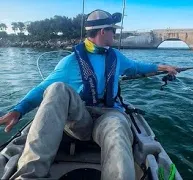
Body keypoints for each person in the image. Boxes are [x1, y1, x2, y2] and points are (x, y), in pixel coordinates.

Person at [0, 9, 177, 179]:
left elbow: (137, 67)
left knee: (117, 127)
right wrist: (19, 110)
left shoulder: (117, 57)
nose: (115, 34)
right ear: (102, 31)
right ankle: (29, 176)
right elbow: (42, 88)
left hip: (109, 116)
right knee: (56, 89)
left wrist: (162, 67)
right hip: (80, 120)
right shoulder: (70, 62)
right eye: (113, 30)